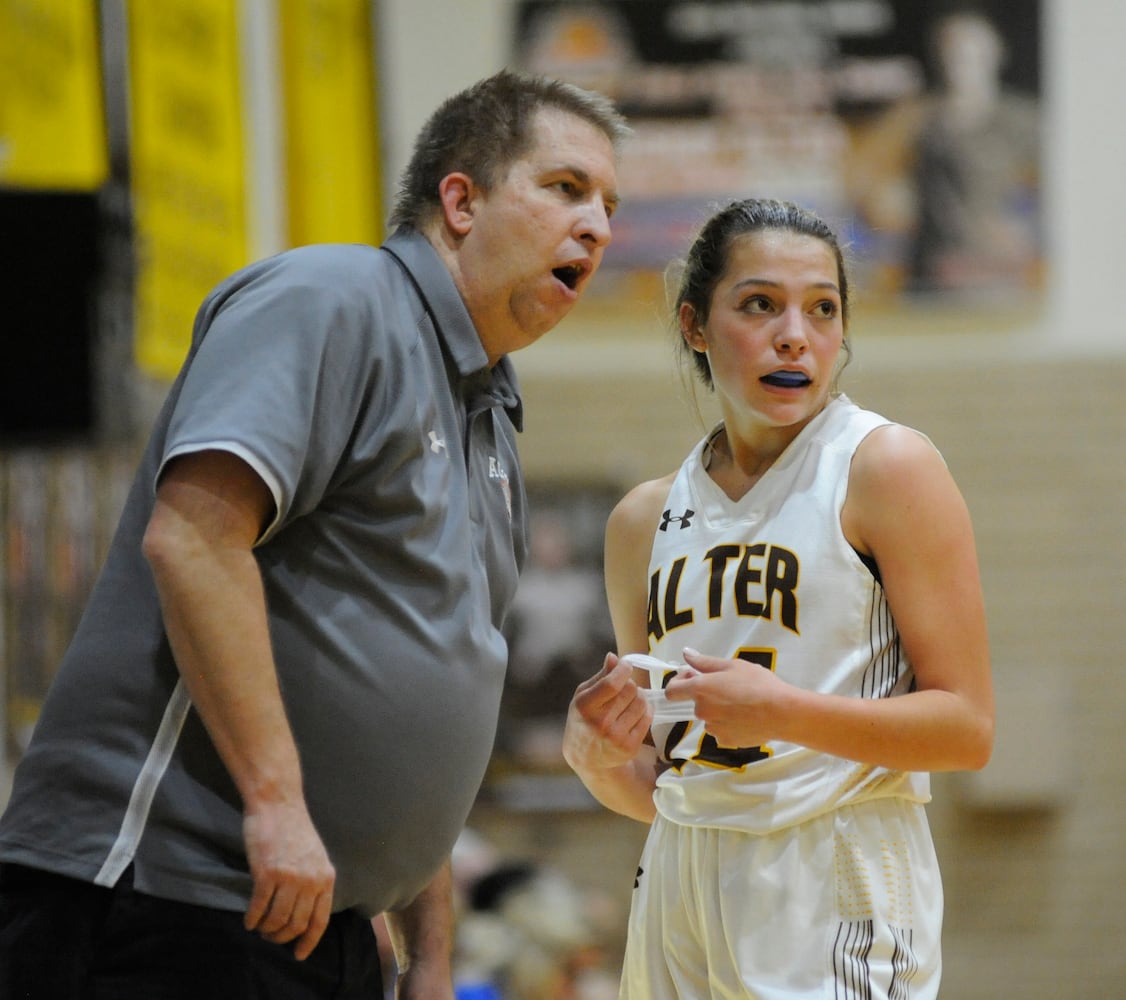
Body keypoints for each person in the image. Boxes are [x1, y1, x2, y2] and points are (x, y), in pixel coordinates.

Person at [0, 69, 627, 999]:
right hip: (167, 899)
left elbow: (450, 674)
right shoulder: (333, 300)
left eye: (610, 205)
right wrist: (275, 803)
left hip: (320, 919)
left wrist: (432, 946)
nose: (598, 228)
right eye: (566, 188)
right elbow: (193, 541)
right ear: (459, 200)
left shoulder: (490, 403)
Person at [562, 198, 993, 998]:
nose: (795, 333)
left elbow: (966, 729)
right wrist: (593, 760)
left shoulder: (884, 467)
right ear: (695, 326)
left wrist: (786, 711)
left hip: (836, 873)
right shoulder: (640, 521)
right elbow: (669, 784)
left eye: (822, 308)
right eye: (760, 304)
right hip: (679, 885)